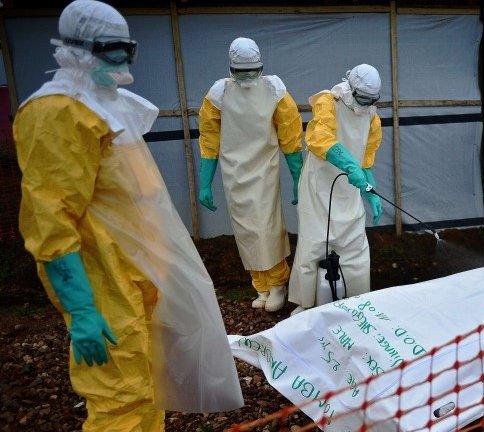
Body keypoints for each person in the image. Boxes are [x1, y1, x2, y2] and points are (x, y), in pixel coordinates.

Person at [13, 1, 243, 429]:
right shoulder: (58, 113)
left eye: (127, 49)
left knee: (147, 386)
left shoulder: (108, 104)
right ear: (80, 48)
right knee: (119, 397)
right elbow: (50, 219)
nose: (123, 62)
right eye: (113, 50)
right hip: (102, 280)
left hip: (139, 274)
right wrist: (81, 308)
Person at [197, 37, 303, 312]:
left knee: (267, 228)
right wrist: (205, 183)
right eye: (241, 72)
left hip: (264, 169)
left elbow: (290, 137)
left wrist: (298, 178)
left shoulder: (275, 90)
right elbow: (209, 139)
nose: (247, 77)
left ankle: (278, 283)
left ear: (261, 67)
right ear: (231, 69)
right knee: (245, 230)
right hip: (234, 173)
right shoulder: (218, 94)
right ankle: (261, 286)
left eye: (252, 71)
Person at [288, 64, 383, 316]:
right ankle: (306, 303)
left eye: (371, 100)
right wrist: (350, 165)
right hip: (319, 185)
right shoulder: (328, 101)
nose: (365, 104)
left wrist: (370, 192)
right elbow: (320, 138)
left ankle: (358, 301)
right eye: (362, 98)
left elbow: (367, 159)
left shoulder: (372, 117)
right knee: (313, 242)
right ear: (351, 88)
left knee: (355, 246)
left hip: (349, 190)